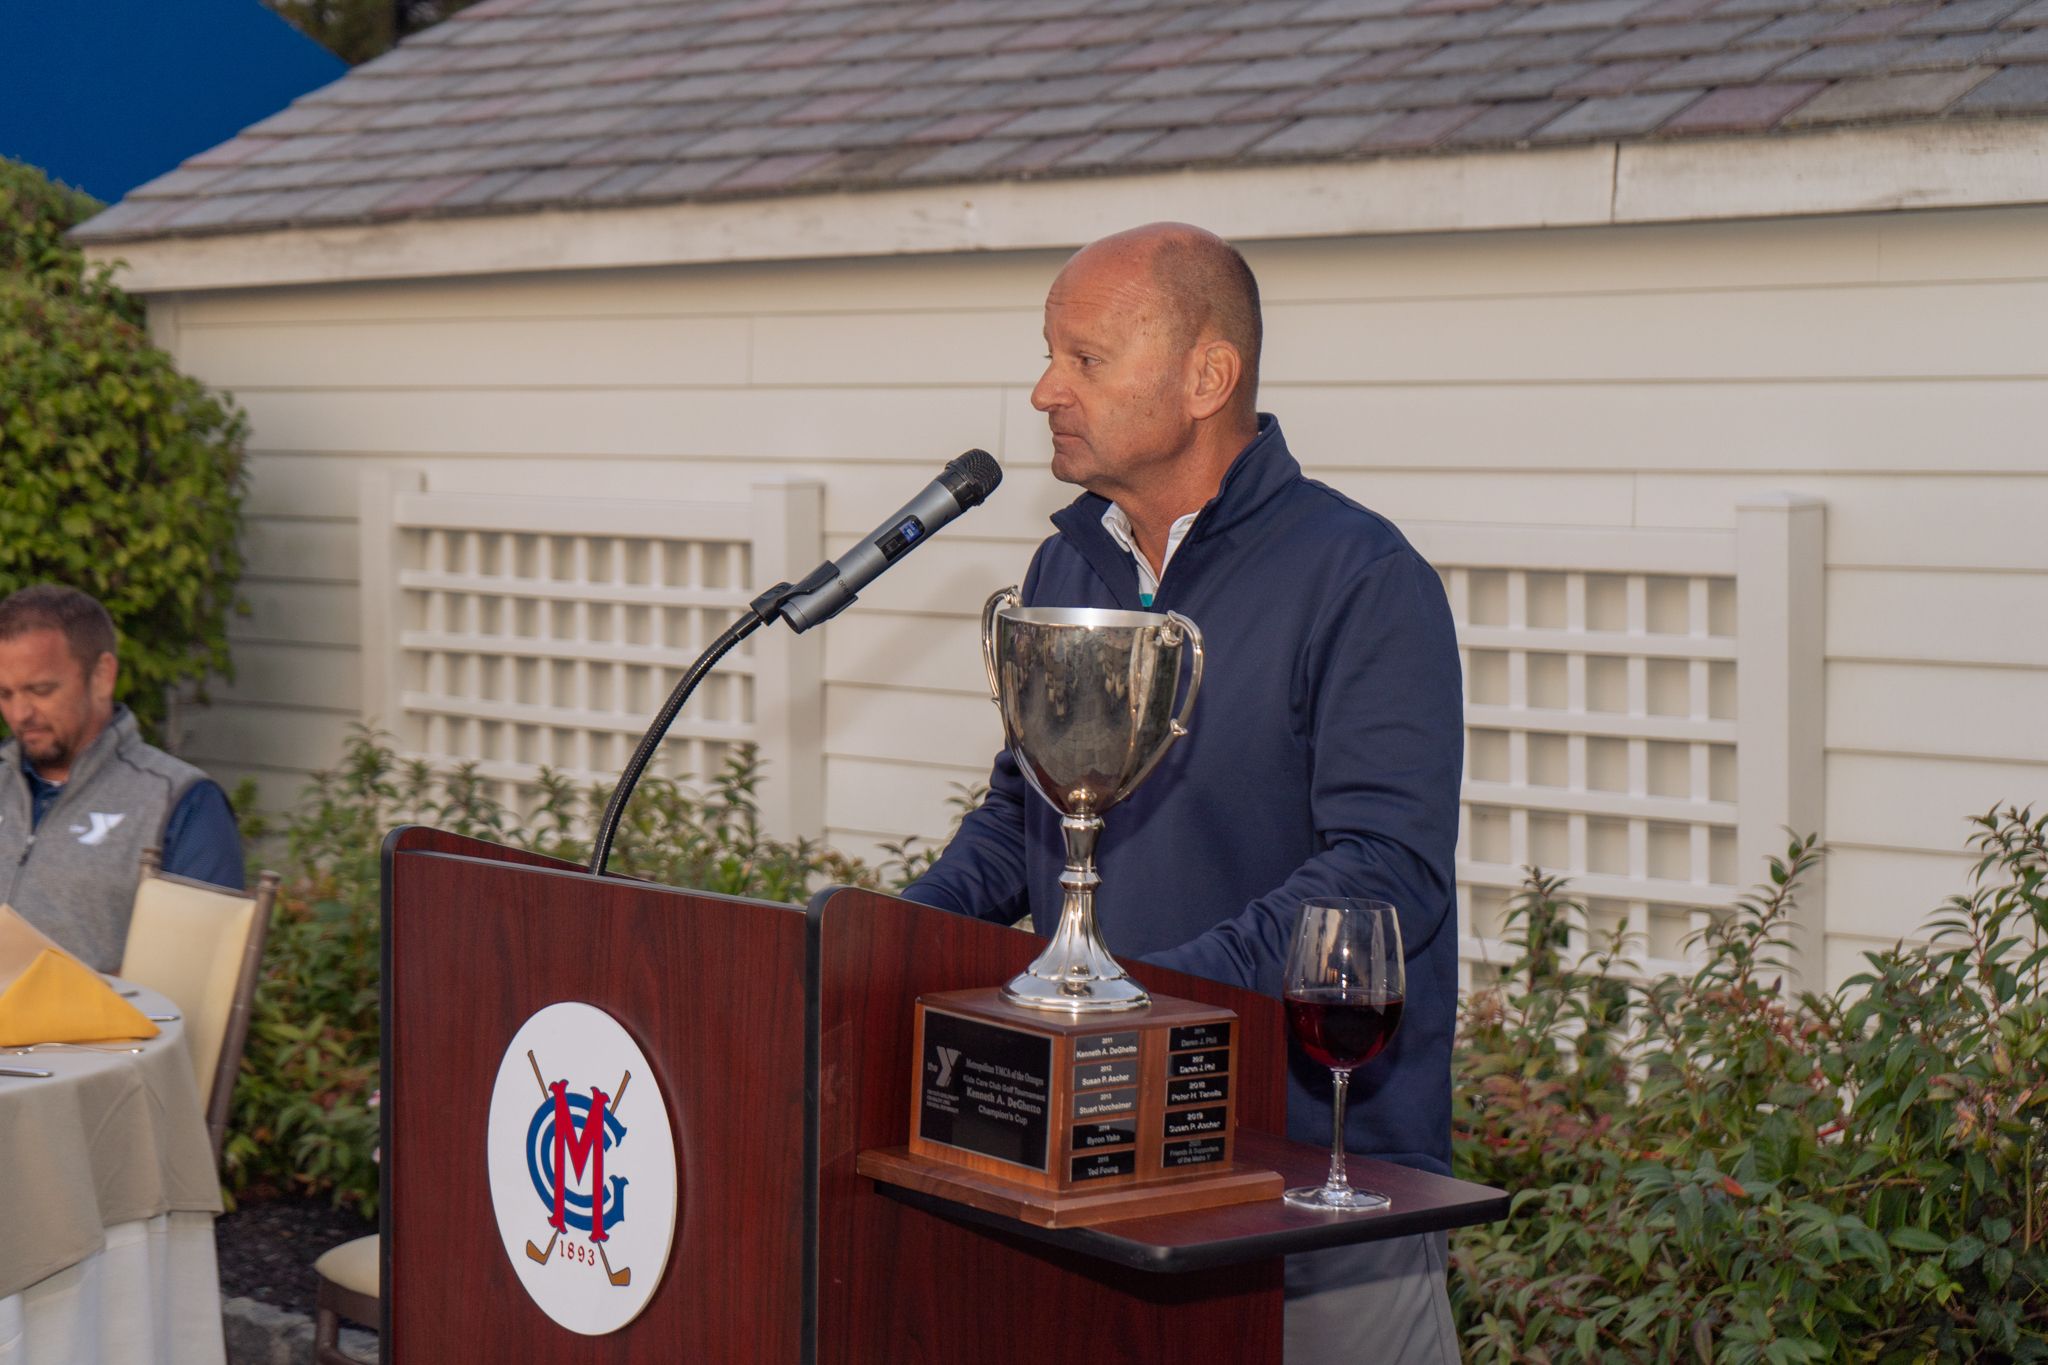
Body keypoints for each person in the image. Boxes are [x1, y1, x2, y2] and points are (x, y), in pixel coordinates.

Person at [898, 224, 1465, 1364]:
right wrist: (884, 943)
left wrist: (1146, 1002)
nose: (1044, 388)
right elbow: (1028, 816)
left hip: (1309, 1183)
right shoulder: (1072, 567)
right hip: (1104, 1157)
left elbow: (1383, 876)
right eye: (1048, 353)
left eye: (1086, 358)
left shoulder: (1361, 579)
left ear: (1208, 377)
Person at [0, 584, 244, 970]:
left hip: (101, 1029)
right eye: (5, 693)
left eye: (40, 690)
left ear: (101, 676)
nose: (19, 713)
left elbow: (198, 978)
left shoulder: (182, 803)